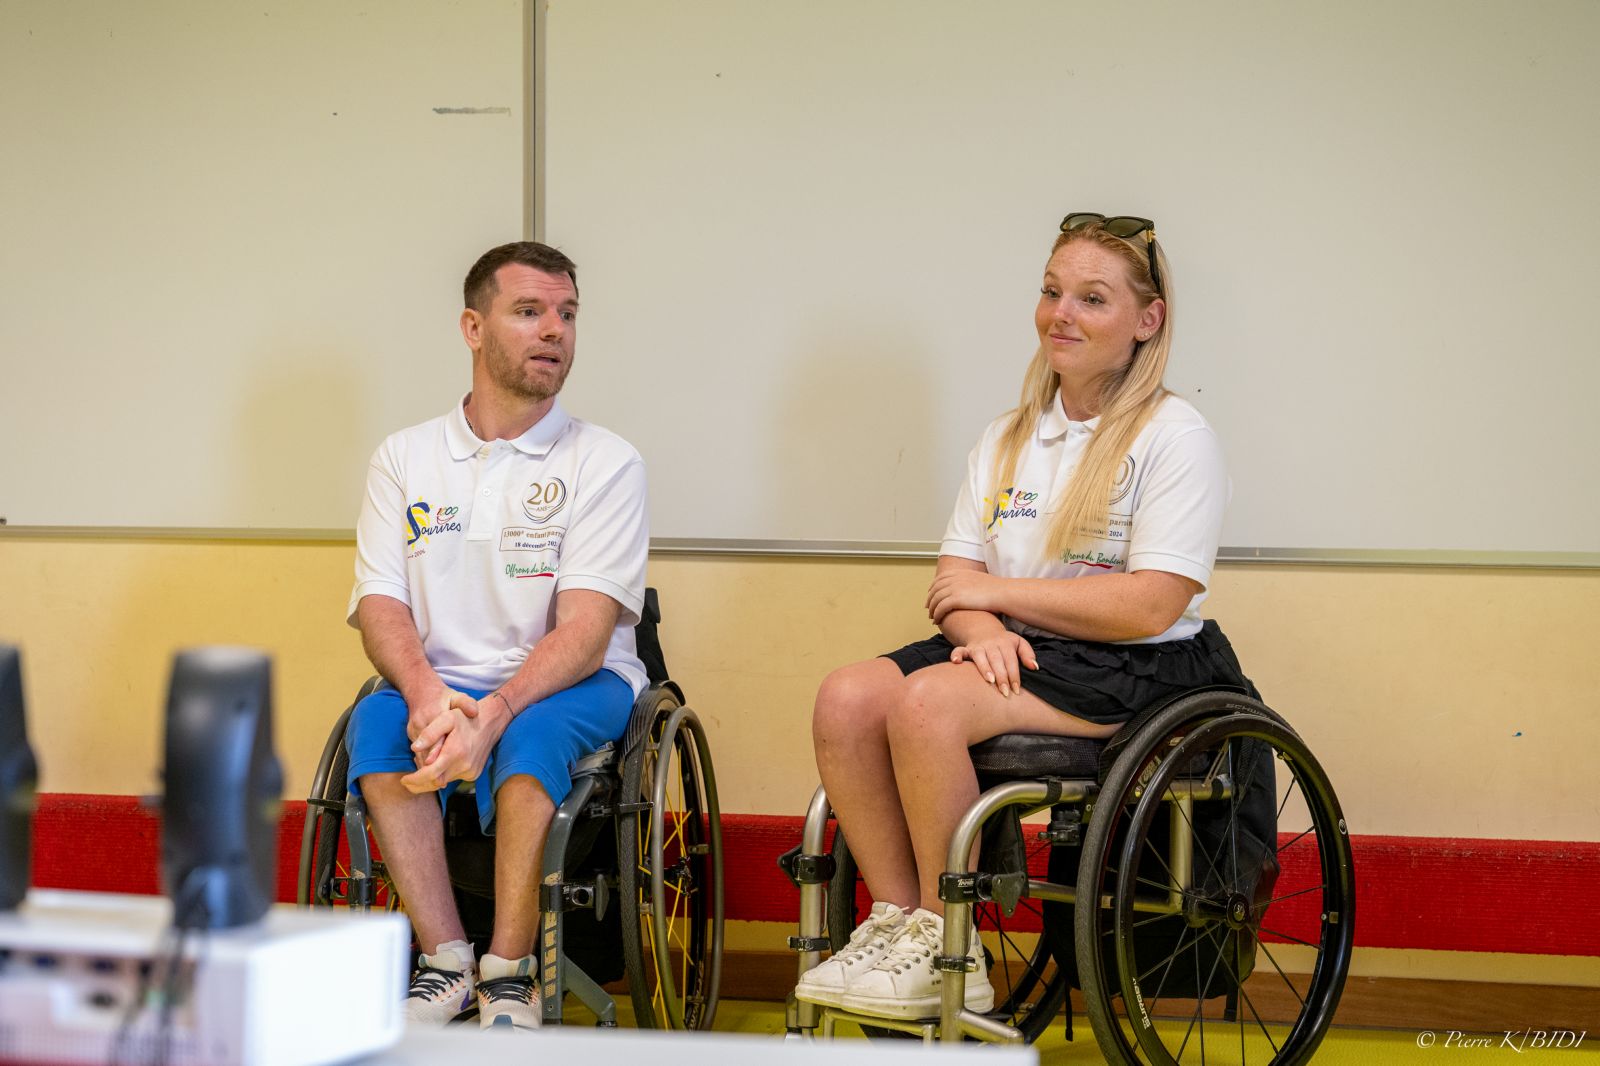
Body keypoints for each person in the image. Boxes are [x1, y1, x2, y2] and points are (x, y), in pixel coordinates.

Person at [795, 214, 1257, 1020]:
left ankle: (953, 943)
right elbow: (954, 580)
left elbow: (1150, 602)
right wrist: (981, 630)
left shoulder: (1175, 436)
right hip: (1019, 645)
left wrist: (997, 602)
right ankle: (899, 922)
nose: (1061, 315)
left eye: (1092, 299)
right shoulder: (1008, 437)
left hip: (1137, 660)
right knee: (844, 696)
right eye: (1051, 292)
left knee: (927, 703)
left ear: (1147, 321)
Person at [344, 241, 648, 1030]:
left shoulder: (605, 461)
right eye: (529, 311)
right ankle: (443, 958)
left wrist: (497, 710)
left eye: (567, 314)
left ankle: (510, 971)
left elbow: (585, 632)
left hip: (572, 684)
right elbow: (381, 604)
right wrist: (423, 697)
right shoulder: (405, 457)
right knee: (374, 722)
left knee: (529, 739)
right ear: (473, 328)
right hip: (442, 680)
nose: (555, 330)